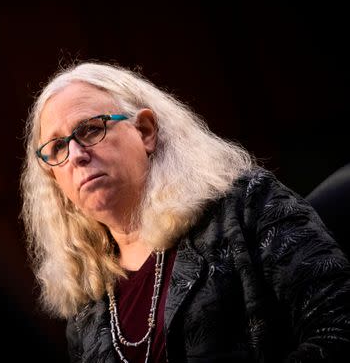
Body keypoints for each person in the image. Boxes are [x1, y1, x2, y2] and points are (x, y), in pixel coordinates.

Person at [19, 61, 350, 362]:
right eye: (58, 147)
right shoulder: (86, 305)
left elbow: (338, 326)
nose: (75, 154)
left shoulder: (245, 206)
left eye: (90, 129)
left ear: (146, 131)